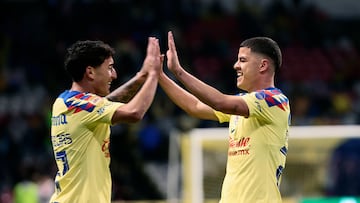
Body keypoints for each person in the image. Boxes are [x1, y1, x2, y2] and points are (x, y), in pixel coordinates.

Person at [159, 31, 291, 202]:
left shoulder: (275, 101)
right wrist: (160, 76)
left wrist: (178, 71)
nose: (235, 65)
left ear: (263, 65)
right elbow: (195, 106)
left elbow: (219, 102)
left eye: (243, 60)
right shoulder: (244, 103)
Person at [49, 37, 162, 203]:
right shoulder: (82, 106)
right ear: (90, 72)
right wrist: (153, 76)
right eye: (109, 68)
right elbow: (134, 112)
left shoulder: (65, 102)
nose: (114, 75)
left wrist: (141, 77)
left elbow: (107, 103)